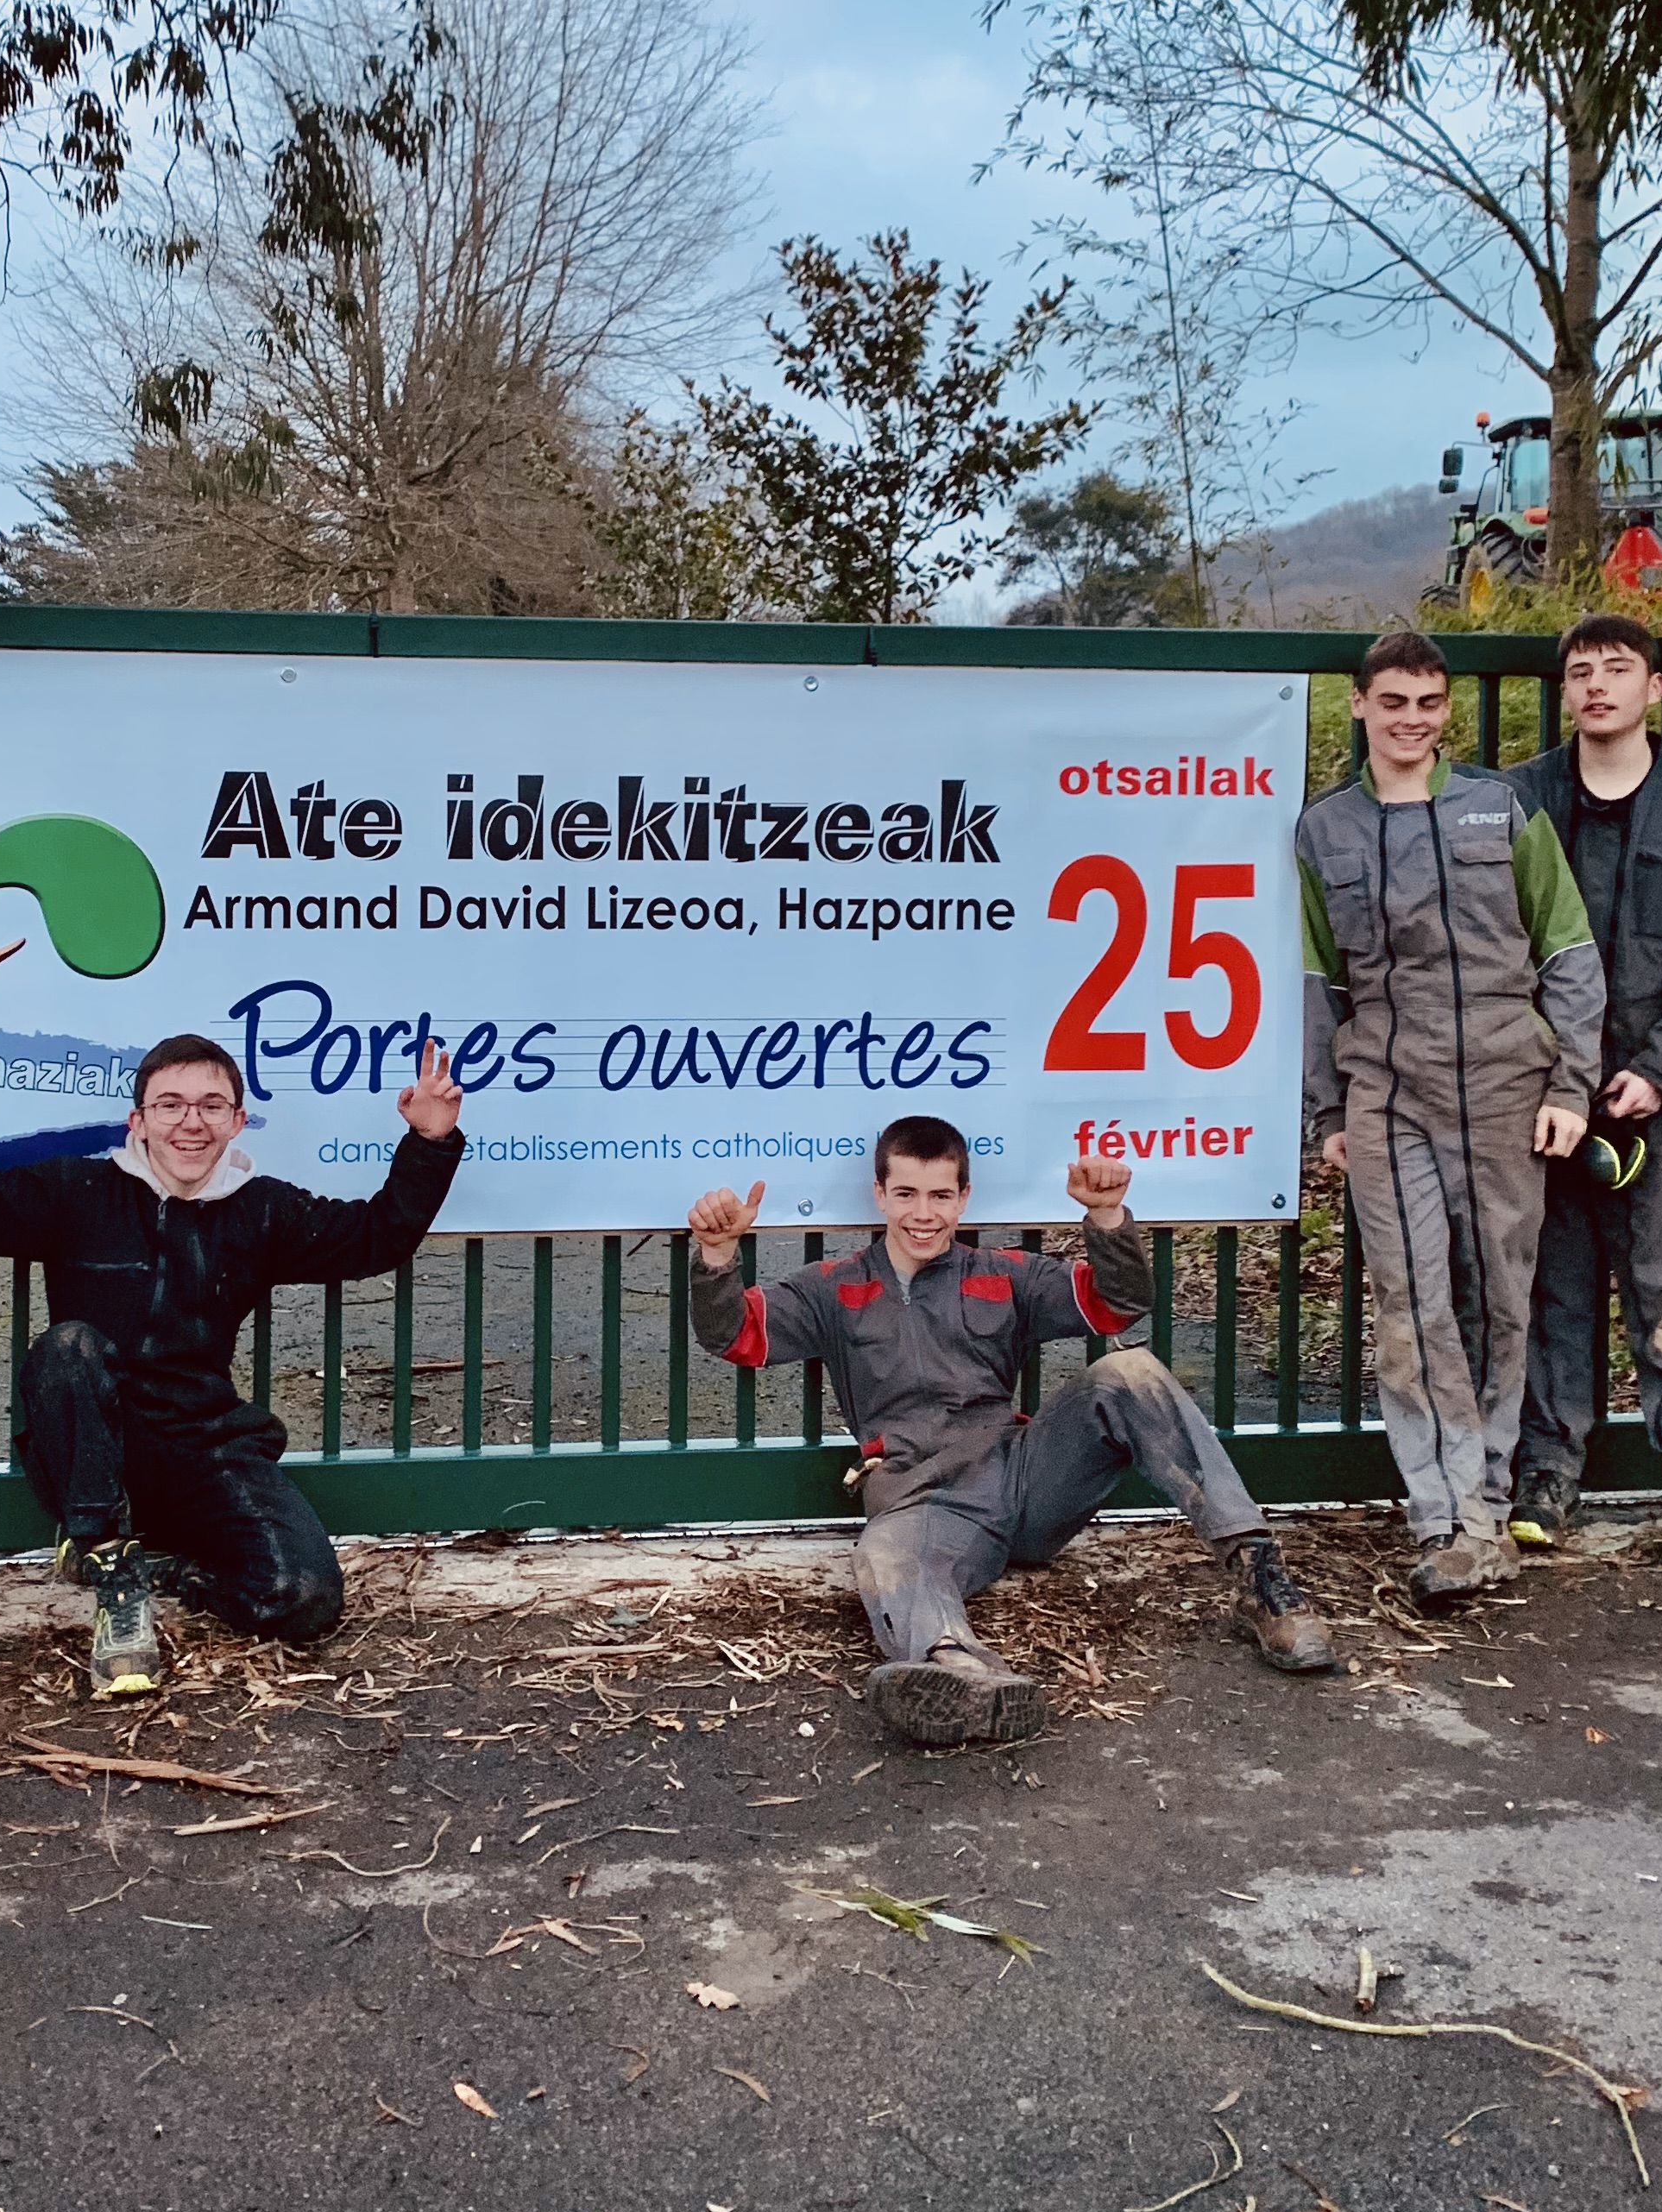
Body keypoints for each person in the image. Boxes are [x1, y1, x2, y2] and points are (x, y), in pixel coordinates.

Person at [0, 1014, 465, 1694]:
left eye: (210, 1106)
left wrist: (430, 1141)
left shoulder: (263, 1211)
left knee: (305, 1596)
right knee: (70, 1347)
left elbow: (373, 1238)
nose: (190, 1123)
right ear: (137, 1121)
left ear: (237, 1121)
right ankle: (114, 1573)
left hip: (202, 1448)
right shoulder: (74, 1191)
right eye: (170, 1105)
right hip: (92, 1451)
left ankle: (169, 1572)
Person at [683, 1124, 1336, 1749]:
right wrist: (717, 1255)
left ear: (964, 1197)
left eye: (942, 1195)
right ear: (880, 1195)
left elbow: (1115, 1306)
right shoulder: (834, 1286)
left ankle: (1262, 1584)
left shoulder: (1004, 1272)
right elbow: (736, 1335)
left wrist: (1108, 1218)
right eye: (906, 1193)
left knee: (1129, 1370)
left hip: (1025, 1479)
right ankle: (961, 1673)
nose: (924, 1214)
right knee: (883, 1557)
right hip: (924, 1502)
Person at [1297, 626, 1602, 1608]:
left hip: (1507, 1084)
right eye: (1394, 703)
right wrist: (1328, 1110)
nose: (1413, 721)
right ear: (1360, 707)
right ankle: (1445, 1518)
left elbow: (1568, 953)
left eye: (1430, 704)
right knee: (1411, 1304)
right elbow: (1314, 982)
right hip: (1389, 1089)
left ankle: (1489, 1501)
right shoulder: (1325, 831)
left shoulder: (1500, 808)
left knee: (1501, 1299)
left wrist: (1571, 1088)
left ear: (1445, 711)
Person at [1504, 613, 1662, 1566]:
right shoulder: (1520, 802)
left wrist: (1661, 1070)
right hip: (1548, 1096)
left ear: (1654, 689)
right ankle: (1548, 1475)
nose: (1597, 685)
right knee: (1551, 1288)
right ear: (1564, 692)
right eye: (1579, 671)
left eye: (1618, 669)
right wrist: (1543, 1068)